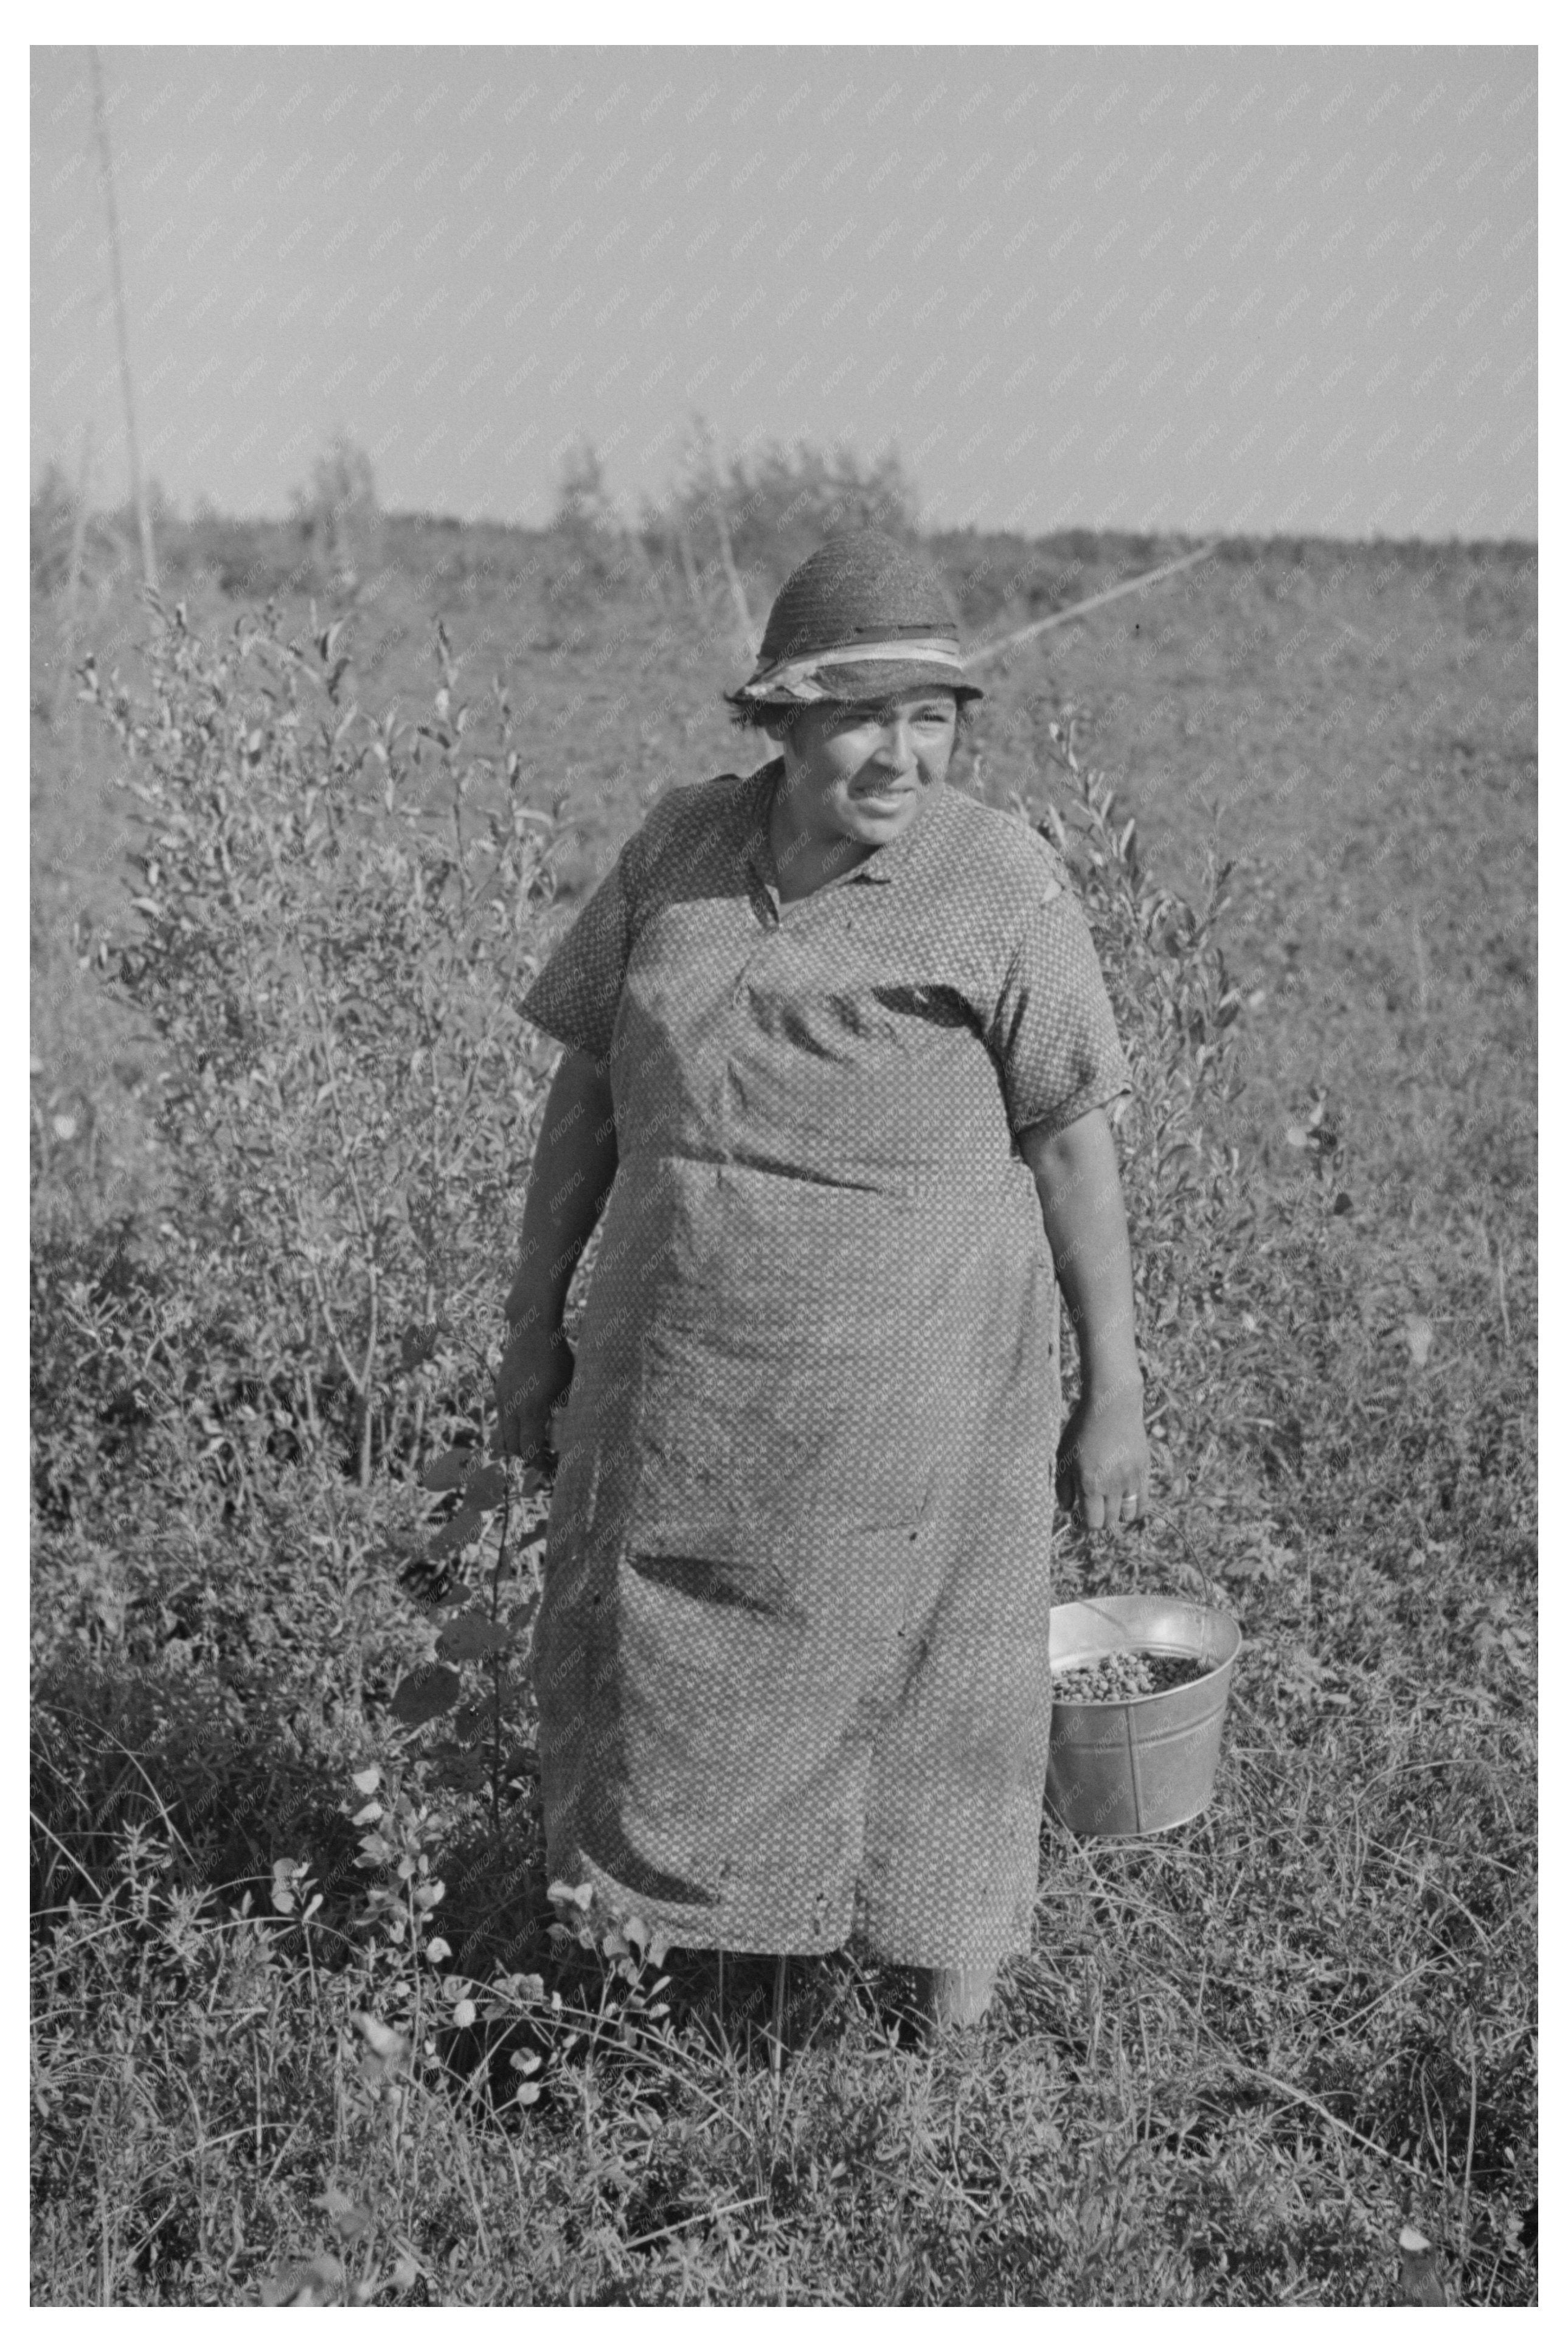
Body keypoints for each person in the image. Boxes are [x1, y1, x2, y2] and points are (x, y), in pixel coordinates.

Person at [495, 530, 1149, 2033]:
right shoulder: (678, 853)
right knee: (659, 1654)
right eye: (863, 715)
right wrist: (530, 1331)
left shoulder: (996, 881)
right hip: (681, 1386)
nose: (901, 754)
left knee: (937, 1690)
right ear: (778, 720)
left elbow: (1070, 1144)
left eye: (932, 718)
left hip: (917, 1395)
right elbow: (583, 1098)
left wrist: (1113, 1385)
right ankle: (668, 1990)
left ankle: (945, 2041)